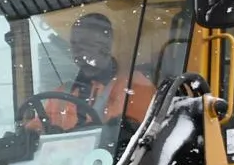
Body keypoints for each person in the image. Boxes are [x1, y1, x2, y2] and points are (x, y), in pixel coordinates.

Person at [22, 11, 156, 135]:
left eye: (87, 44)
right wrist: (29, 135)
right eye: (75, 44)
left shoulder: (135, 85)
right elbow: (37, 128)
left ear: (107, 46)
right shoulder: (62, 94)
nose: (79, 51)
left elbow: (132, 134)